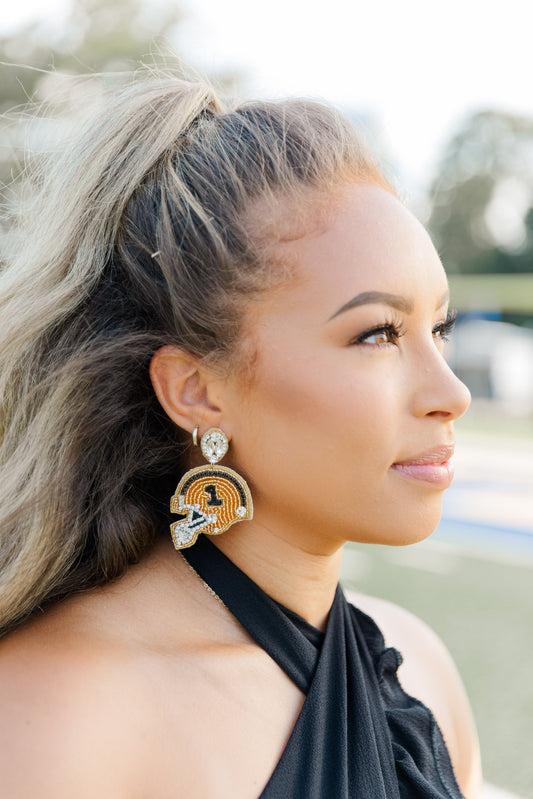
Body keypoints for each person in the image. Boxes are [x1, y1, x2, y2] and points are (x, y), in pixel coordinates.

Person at [0, 76, 482, 798]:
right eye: (376, 333)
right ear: (197, 390)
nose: (451, 393)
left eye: (436, 328)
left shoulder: (419, 667)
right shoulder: (62, 712)